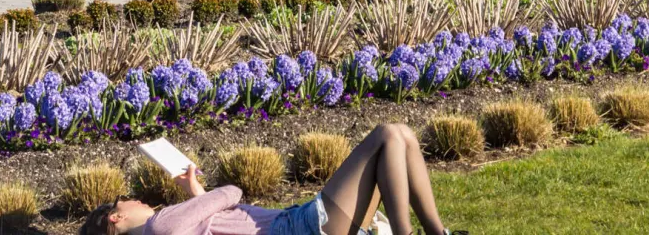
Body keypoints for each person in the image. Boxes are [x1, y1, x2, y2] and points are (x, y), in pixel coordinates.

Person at [80, 123, 464, 235]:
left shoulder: (169, 229)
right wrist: (207, 195)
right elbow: (232, 191)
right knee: (388, 135)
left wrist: (197, 194)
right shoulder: (160, 227)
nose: (136, 200)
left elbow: (213, 216)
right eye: (125, 200)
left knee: (401, 138)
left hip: (301, 227)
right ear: (115, 217)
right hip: (298, 228)